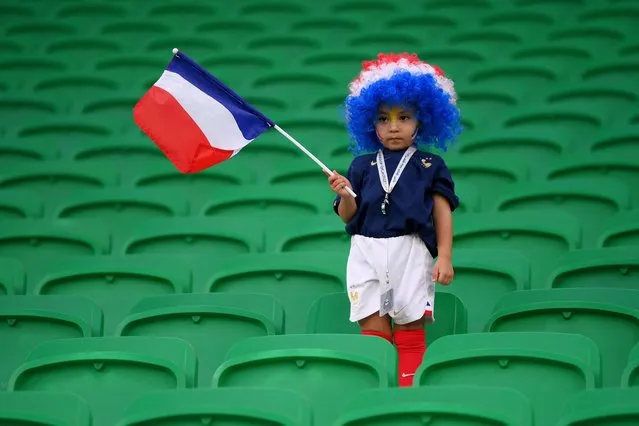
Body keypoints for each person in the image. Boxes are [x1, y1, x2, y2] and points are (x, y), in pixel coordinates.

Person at [327, 52, 462, 387]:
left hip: (410, 248)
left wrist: (444, 255)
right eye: (384, 119)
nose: (394, 126)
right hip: (365, 249)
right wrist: (345, 195)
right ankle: (377, 390)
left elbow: (441, 210)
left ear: (422, 120)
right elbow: (348, 216)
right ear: (371, 124)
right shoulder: (360, 166)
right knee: (372, 327)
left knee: (409, 326)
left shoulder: (431, 164)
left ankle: (408, 393)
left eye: (404, 117)